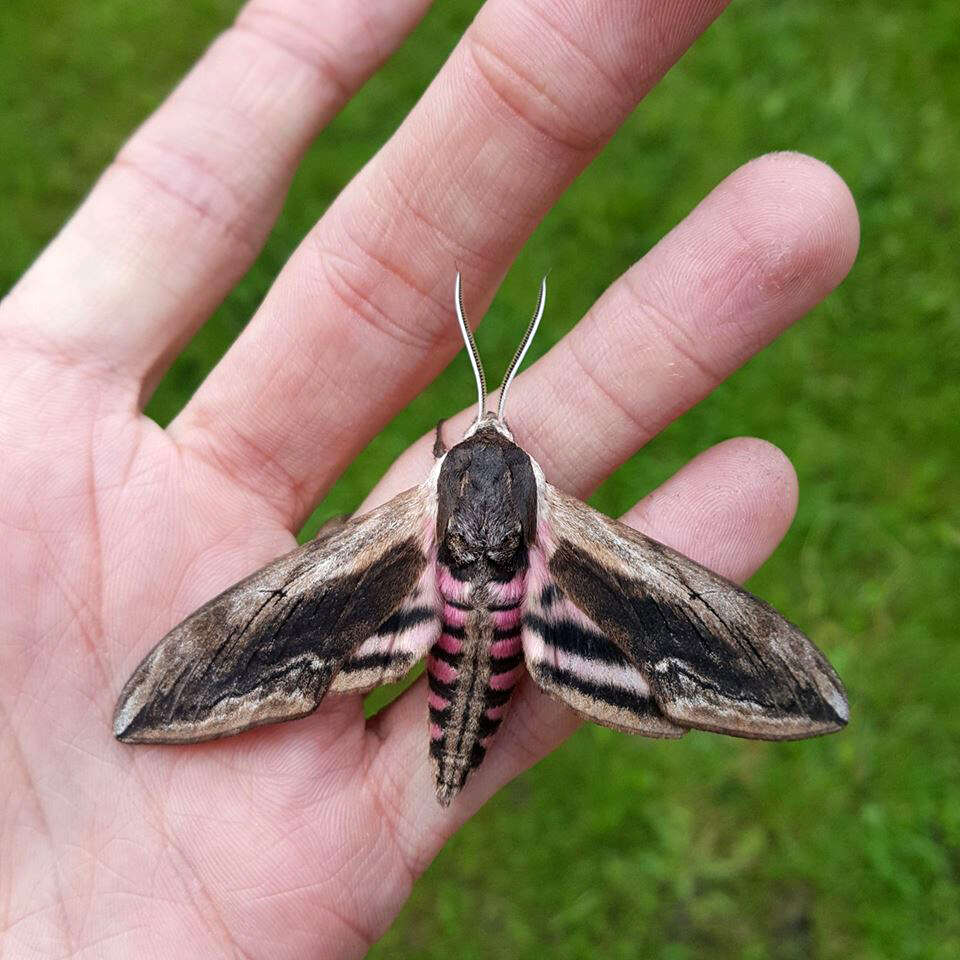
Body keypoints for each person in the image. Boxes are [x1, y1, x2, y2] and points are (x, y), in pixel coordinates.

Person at [0, 0, 859, 956]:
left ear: (449, 459)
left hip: (418, 616)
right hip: (541, 636)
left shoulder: (416, 513)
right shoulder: (561, 522)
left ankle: (732, 689)